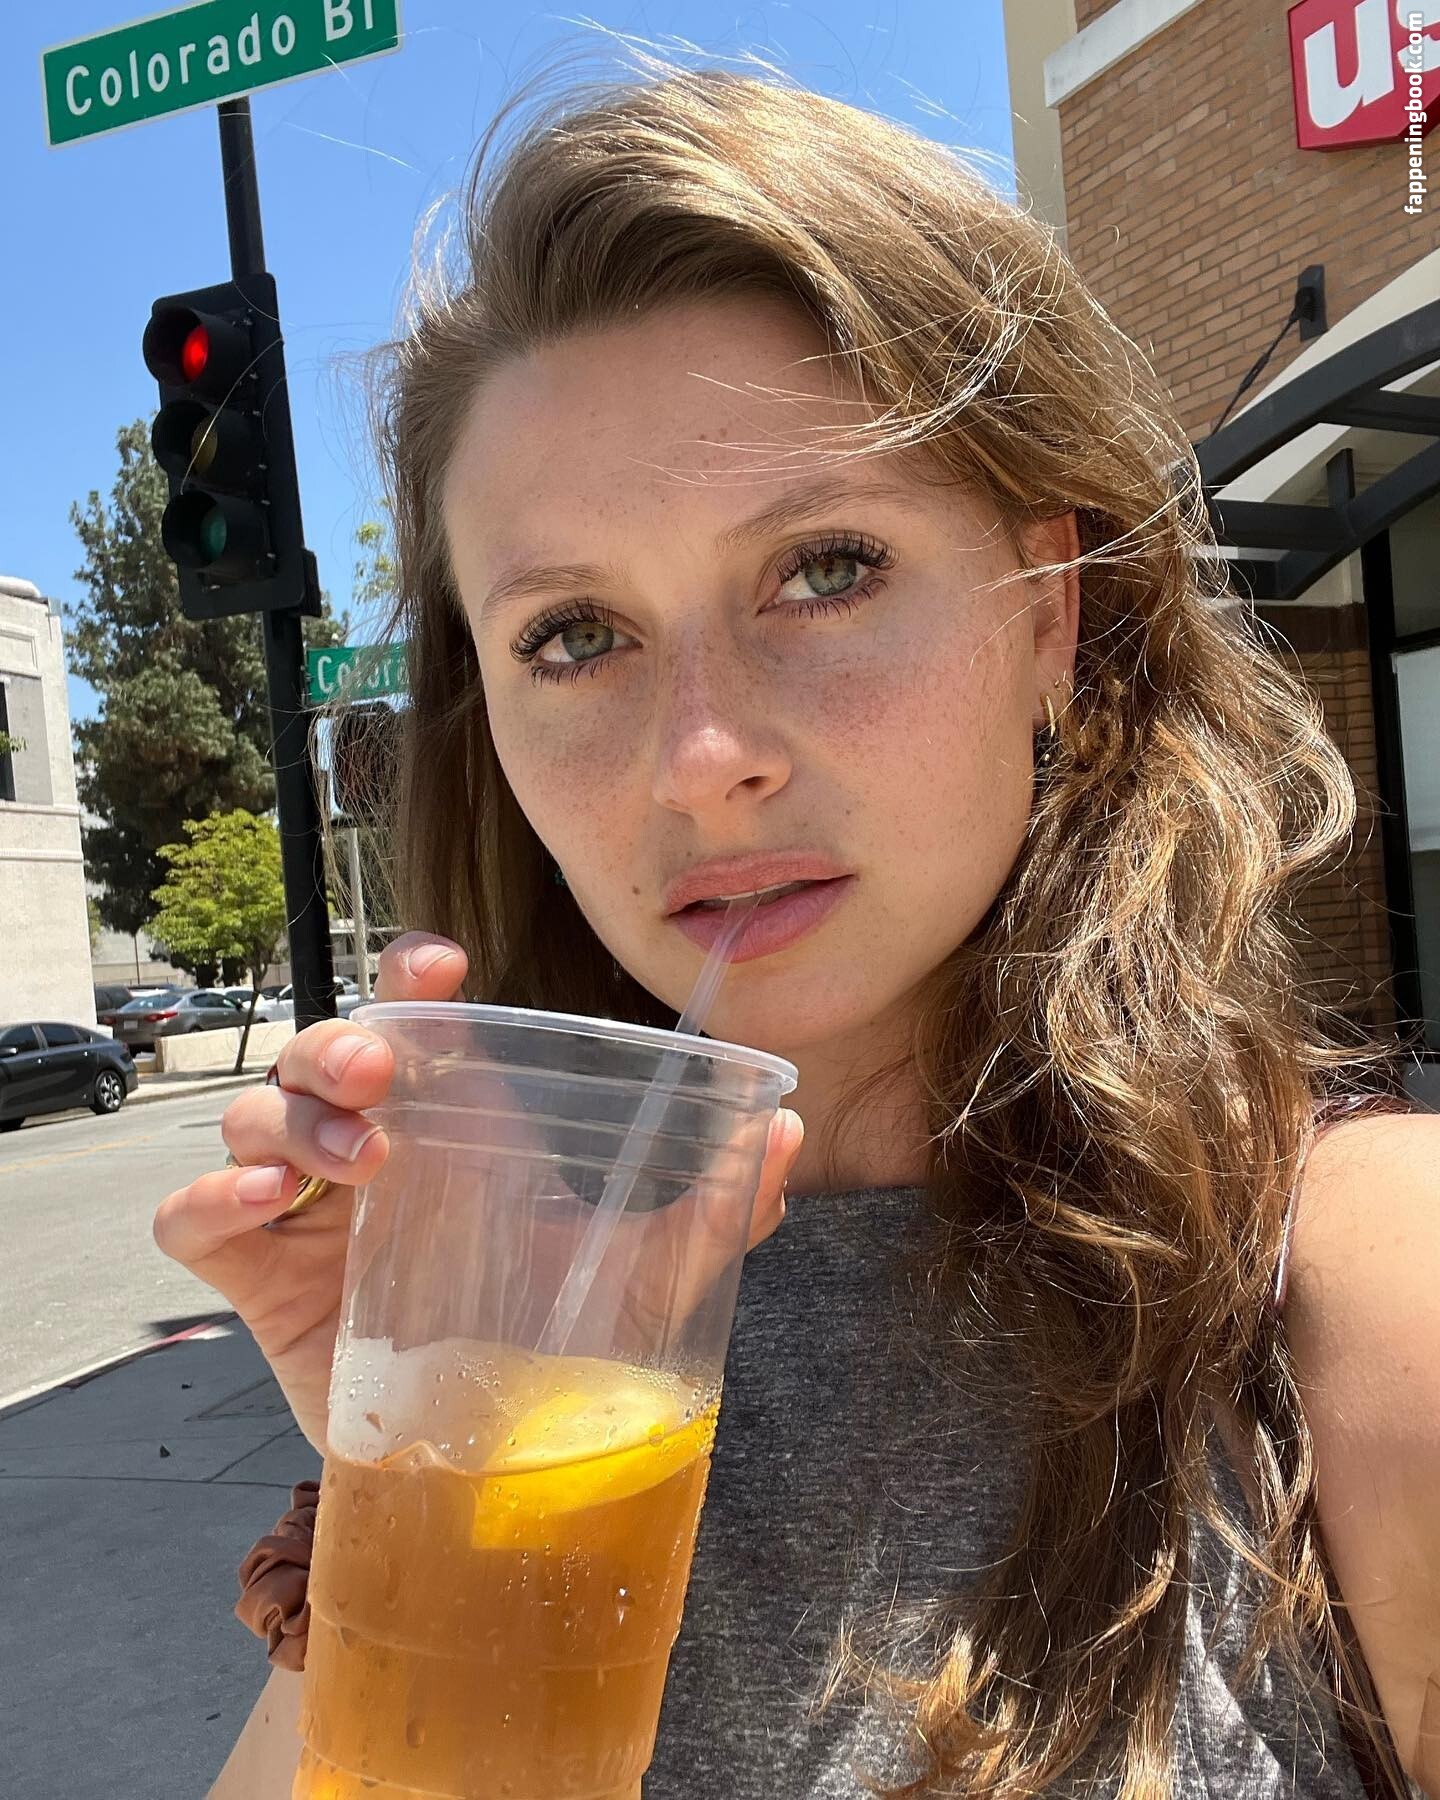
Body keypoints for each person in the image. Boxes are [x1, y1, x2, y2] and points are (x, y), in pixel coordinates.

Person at [155, 49, 1439, 1800]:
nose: (703, 759)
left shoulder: (1367, 1292)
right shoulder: (513, 1346)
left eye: (827, 568)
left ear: (1051, 612)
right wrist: (423, 1510)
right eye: (573, 635)